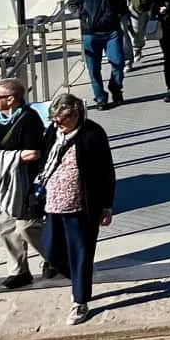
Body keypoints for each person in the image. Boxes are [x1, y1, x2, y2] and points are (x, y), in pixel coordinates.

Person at [36, 91, 115, 326]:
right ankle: (79, 279)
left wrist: (107, 206)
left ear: (75, 114)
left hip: (82, 206)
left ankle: (80, 299)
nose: (57, 124)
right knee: (50, 248)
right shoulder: (53, 132)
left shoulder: (92, 134)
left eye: (62, 119)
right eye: (54, 120)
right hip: (53, 203)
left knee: (81, 252)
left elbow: (105, 171)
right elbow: (45, 160)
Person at [0, 78, 47, 288]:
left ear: (11, 99)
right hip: (4, 178)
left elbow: (34, 153)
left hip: (25, 179)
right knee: (6, 225)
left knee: (27, 226)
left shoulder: (29, 118)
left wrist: (4, 157)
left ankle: (55, 258)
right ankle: (18, 271)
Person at [64, 0, 129, 110]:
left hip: (112, 30)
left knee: (118, 62)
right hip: (91, 33)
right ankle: (100, 98)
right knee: (94, 68)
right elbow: (72, 4)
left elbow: (121, 4)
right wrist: (82, 15)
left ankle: (115, 88)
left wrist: (124, 15)